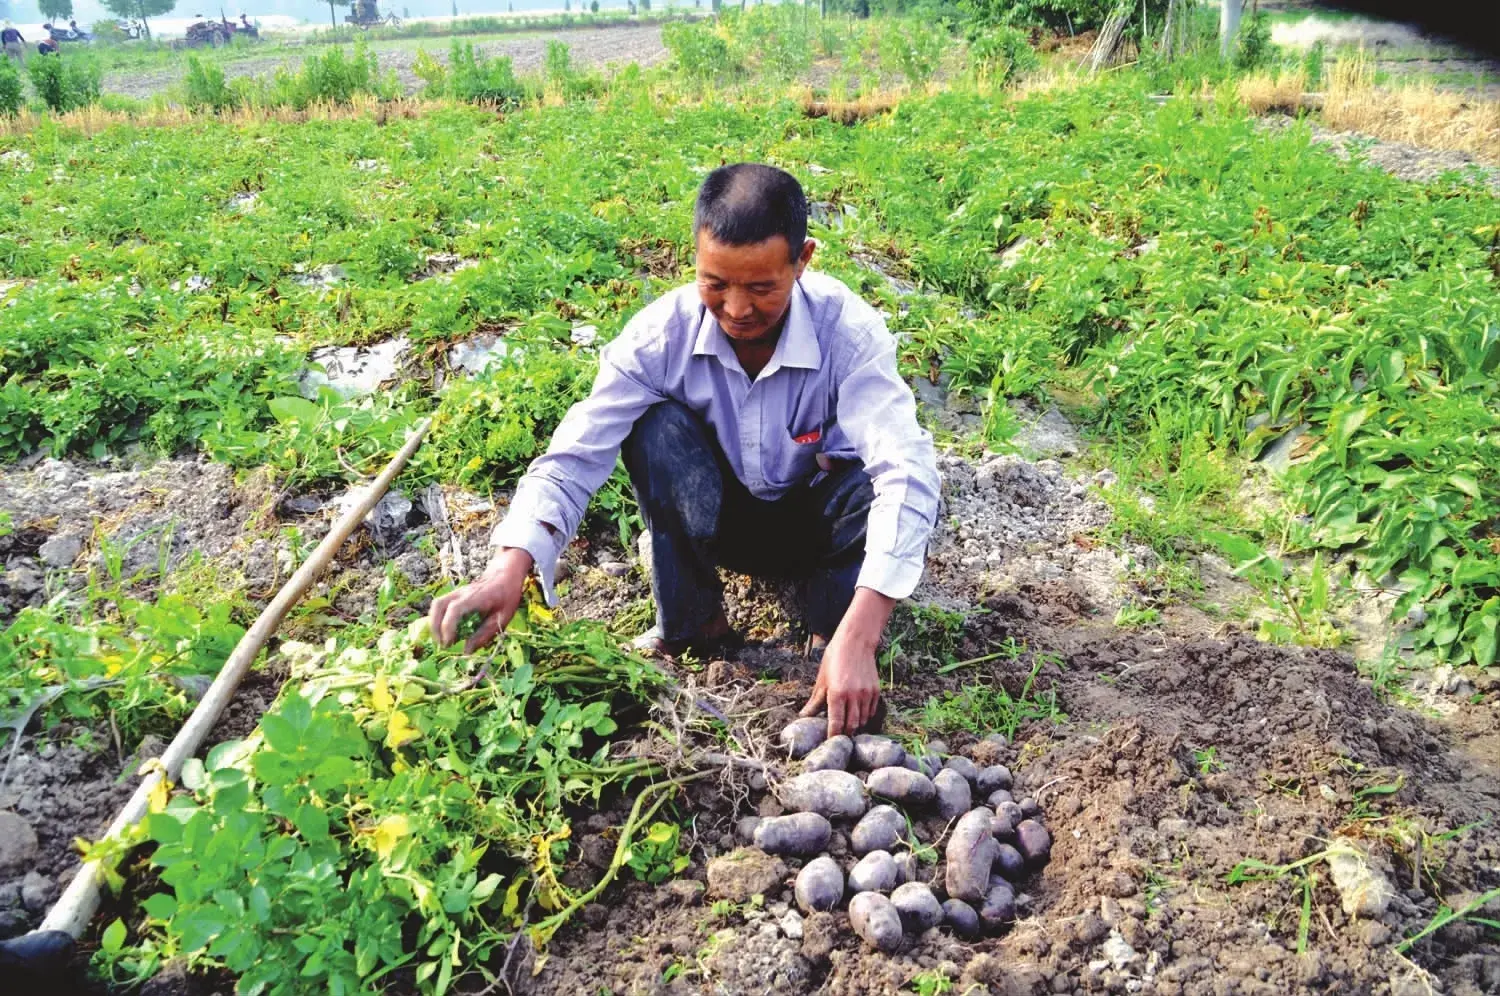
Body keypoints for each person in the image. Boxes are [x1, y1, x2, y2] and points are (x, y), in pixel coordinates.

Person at [429, 164, 941, 737]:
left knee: (869, 485)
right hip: (723, 519)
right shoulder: (661, 336)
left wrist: (862, 632)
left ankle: (831, 630)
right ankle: (695, 625)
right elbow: (576, 454)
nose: (738, 309)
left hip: (819, 524)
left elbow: (907, 472)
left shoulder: (848, 334)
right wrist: (509, 566)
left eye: (762, 287)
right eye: (716, 283)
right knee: (655, 427)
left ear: (803, 261)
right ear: (694, 257)